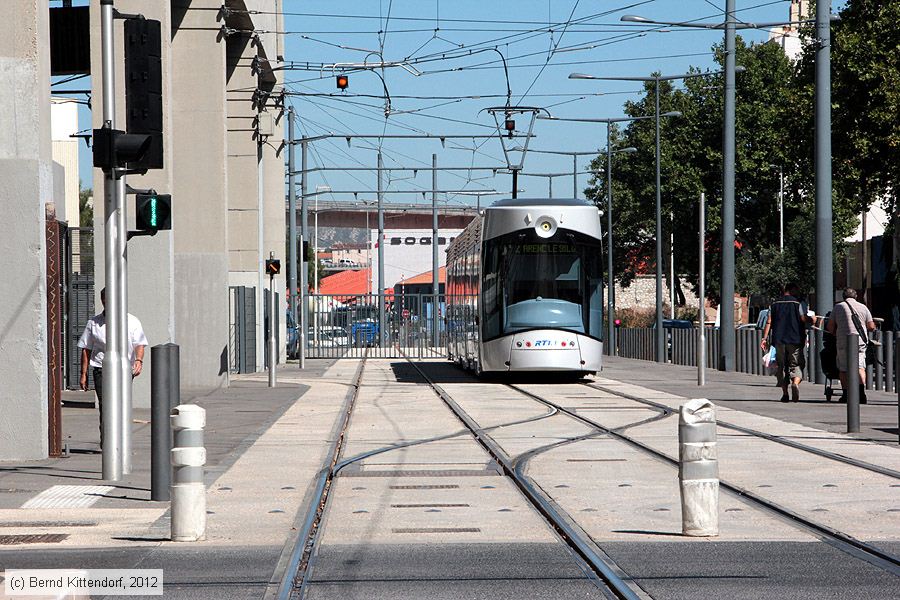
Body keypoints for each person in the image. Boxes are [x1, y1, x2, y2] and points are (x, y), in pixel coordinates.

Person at [77, 288, 149, 448]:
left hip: (124, 368)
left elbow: (139, 344)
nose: (107, 303)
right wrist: (83, 374)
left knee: (121, 403)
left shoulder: (132, 321)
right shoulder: (94, 323)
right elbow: (86, 349)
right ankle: (107, 441)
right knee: (106, 404)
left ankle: (121, 440)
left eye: (110, 300)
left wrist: (139, 360)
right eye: (104, 300)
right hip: (101, 369)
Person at [760, 282, 814, 402]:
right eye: (797, 289)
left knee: (782, 366)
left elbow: (769, 321)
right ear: (792, 289)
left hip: (779, 340)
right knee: (796, 364)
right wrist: (812, 319)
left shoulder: (774, 304)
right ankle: (795, 382)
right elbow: (803, 318)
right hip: (795, 339)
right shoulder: (797, 303)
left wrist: (764, 338)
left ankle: (785, 393)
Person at [827, 288, 875, 404]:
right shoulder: (863, 307)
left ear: (843, 297)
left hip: (843, 342)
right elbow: (871, 326)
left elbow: (830, 326)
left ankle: (846, 394)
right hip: (859, 342)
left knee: (843, 368)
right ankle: (861, 394)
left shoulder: (838, 307)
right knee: (860, 367)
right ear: (856, 296)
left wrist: (835, 332)